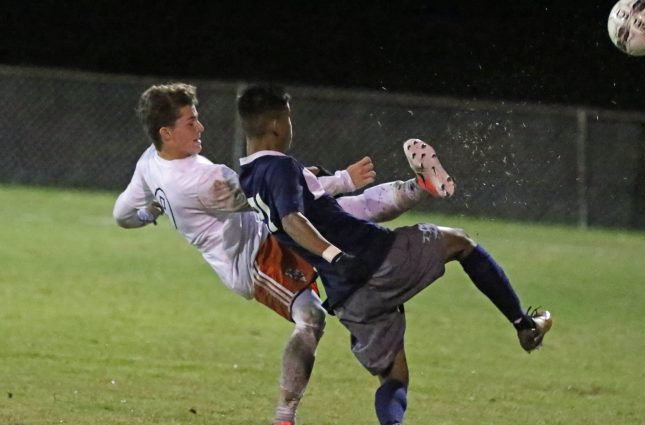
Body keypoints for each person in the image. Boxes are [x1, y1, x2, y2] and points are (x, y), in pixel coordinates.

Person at [113, 83, 443, 425]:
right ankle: (284, 417)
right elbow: (272, 196)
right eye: (190, 122)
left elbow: (121, 214)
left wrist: (148, 211)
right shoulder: (204, 180)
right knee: (312, 318)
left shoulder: (149, 163)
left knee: (343, 215)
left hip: (268, 232)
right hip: (253, 258)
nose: (200, 127)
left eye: (197, 118)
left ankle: (420, 186)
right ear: (166, 132)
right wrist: (342, 178)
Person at [235, 83, 552, 425]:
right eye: (289, 118)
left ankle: (415, 187)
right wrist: (333, 254)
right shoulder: (281, 167)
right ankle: (524, 325)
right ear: (277, 126)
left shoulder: (249, 177)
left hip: (347, 295)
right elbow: (292, 220)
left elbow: (298, 215)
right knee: (460, 243)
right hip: (374, 256)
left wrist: (323, 186)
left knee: (395, 377)